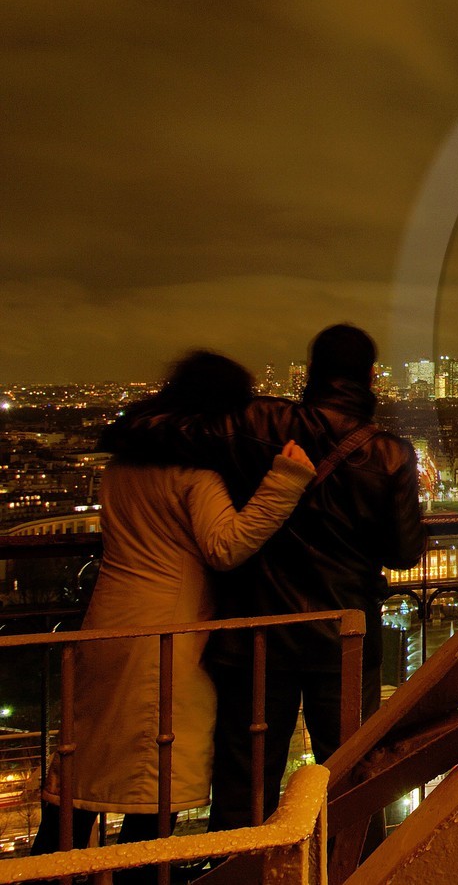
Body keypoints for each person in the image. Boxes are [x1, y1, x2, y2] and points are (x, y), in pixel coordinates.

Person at [107, 324, 424, 832]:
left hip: (257, 632)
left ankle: (241, 870)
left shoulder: (256, 422)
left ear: (311, 372)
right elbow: (405, 553)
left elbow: (146, 433)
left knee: (245, 789)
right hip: (341, 635)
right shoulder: (388, 454)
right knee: (350, 784)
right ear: (371, 377)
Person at [34, 352, 315, 871]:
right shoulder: (193, 472)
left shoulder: (124, 465)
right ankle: (138, 876)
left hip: (107, 621)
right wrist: (285, 481)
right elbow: (225, 546)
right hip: (165, 631)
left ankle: (46, 872)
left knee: (83, 766)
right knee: (151, 782)